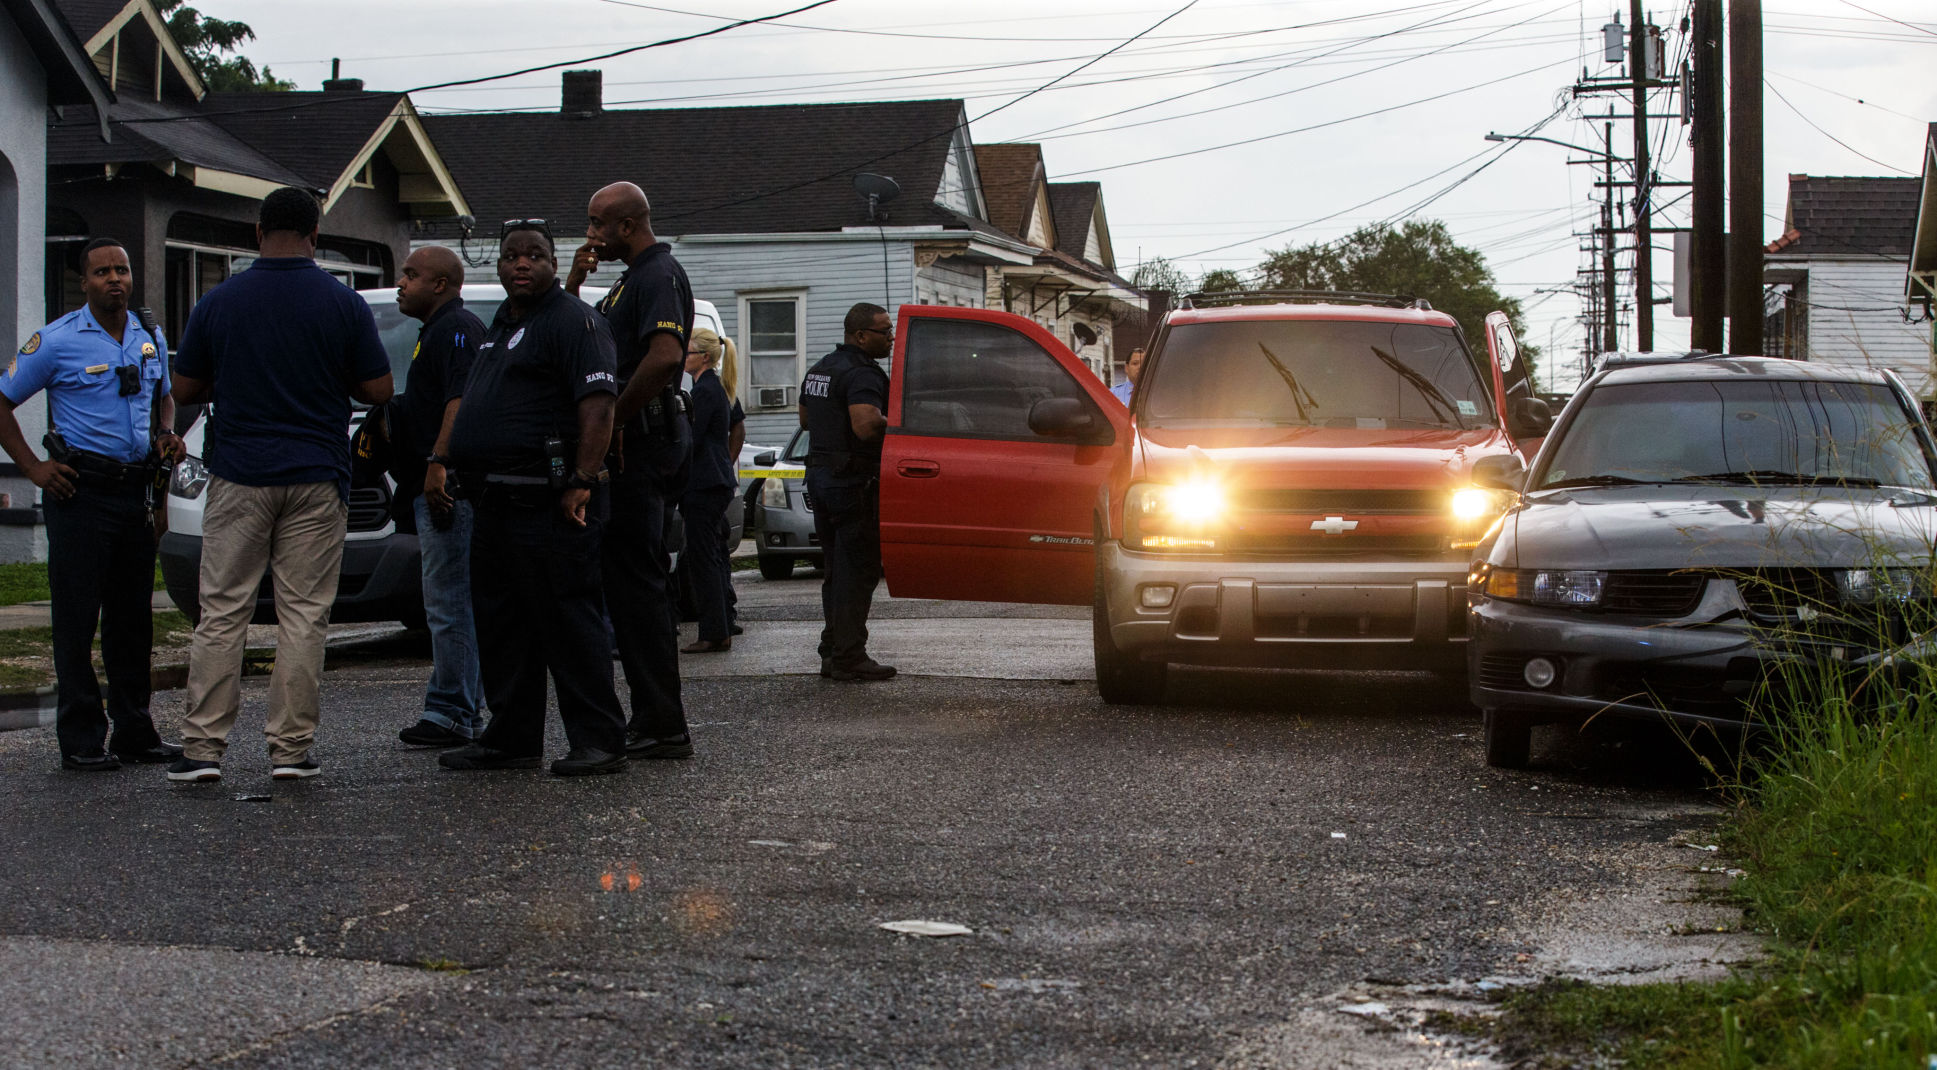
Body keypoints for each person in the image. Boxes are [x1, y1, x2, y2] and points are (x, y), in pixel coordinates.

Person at [167, 187, 394, 783]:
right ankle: (290, 750)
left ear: (258, 230)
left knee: (222, 610)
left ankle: (202, 749)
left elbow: (185, 389)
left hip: (240, 471)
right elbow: (379, 390)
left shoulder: (219, 302)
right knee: (303, 614)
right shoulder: (343, 305)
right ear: (316, 234)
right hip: (317, 473)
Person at [438, 221, 628, 777]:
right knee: (503, 628)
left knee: (568, 624)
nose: (521, 265)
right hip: (493, 500)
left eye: (535, 256)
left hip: (548, 503)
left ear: (553, 262)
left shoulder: (574, 321)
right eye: (511, 256)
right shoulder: (503, 322)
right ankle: (512, 737)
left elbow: (598, 406)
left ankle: (598, 739)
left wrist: (582, 478)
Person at [0, 238, 184, 772]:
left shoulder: (149, 335)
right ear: (84, 282)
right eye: (102, 271)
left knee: (133, 620)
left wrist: (167, 432)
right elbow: (4, 401)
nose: (115, 279)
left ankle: (135, 731)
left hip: (135, 493)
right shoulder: (56, 341)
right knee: (78, 619)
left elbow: (164, 395)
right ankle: (82, 738)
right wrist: (34, 468)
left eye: (122, 270)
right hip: (80, 494)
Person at [565, 182, 694, 759]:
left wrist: (614, 419)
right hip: (626, 450)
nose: (590, 233)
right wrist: (573, 285)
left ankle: (664, 726)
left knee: (640, 590)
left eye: (597, 223)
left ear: (626, 225)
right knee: (625, 588)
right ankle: (649, 718)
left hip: (640, 451)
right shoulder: (625, 281)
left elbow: (665, 357)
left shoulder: (657, 275)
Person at [392, 246, 487, 748]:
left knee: (449, 600)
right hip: (434, 481)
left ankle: (451, 710)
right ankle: (463, 709)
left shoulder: (457, 329)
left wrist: (439, 462)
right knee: (455, 600)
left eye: (411, 275)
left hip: (448, 488)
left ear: (442, 284)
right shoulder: (433, 331)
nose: (401, 283)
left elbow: (460, 398)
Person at [799, 303, 896, 682]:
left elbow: (806, 420)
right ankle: (849, 656)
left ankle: (833, 650)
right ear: (859, 336)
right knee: (856, 573)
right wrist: (905, 423)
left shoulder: (821, 368)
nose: (890, 338)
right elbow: (867, 426)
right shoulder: (861, 374)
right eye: (883, 331)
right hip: (852, 484)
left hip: (821, 479)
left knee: (835, 571)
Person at [678, 327, 736, 653]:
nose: (682, 358)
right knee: (710, 557)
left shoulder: (704, 392)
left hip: (704, 483)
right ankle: (720, 626)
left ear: (704, 357)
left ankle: (713, 631)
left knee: (703, 560)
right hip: (714, 481)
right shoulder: (711, 388)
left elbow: (691, 439)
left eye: (687, 353)